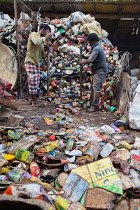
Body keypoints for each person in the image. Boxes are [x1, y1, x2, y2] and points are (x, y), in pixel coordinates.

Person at [79, 33, 108, 112]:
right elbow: (92, 57)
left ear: (95, 41)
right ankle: (92, 104)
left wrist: (83, 61)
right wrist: (85, 57)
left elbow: (91, 60)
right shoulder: (96, 47)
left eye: (91, 42)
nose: (89, 44)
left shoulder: (96, 48)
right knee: (92, 88)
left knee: (96, 89)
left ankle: (94, 106)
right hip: (96, 70)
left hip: (100, 71)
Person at [24, 24, 52, 105]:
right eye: (47, 32)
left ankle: (31, 99)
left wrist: (46, 47)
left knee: (35, 81)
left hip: (36, 62)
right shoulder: (34, 35)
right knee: (33, 80)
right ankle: (33, 100)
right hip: (30, 60)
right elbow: (36, 42)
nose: (47, 34)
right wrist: (46, 38)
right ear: (43, 30)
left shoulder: (41, 40)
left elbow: (42, 54)